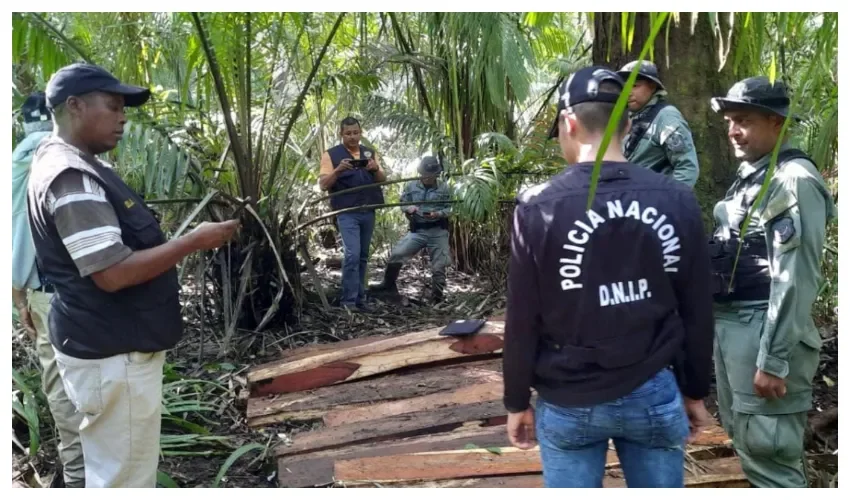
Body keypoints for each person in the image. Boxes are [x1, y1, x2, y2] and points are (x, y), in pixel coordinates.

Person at [26, 62, 240, 488]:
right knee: (124, 481)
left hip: (106, 347)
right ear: (75, 106)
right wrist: (193, 241)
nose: (123, 117)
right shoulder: (71, 177)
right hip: (112, 354)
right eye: (113, 105)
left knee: (114, 468)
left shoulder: (72, 164)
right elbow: (111, 273)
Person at [502, 66, 715, 488]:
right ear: (628, 124)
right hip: (654, 389)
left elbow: (522, 317)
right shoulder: (676, 199)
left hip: (568, 398)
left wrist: (516, 400)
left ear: (570, 123)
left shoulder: (538, 207)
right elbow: (697, 307)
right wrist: (693, 390)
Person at [708, 76, 836, 488]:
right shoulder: (753, 174)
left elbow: (794, 276)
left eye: (743, 120)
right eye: (729, 121)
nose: (733, 130)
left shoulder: (792, 179)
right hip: (736, 326)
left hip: (763, 328)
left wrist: (774, 359)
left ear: (776, 122)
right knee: (749, 442)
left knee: (769, 454)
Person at [12, 91, 85, 487]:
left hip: (50, 294)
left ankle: (77, 477)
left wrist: (18, 295)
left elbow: (17, 232)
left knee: (60, 380)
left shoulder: (22, 161)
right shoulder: (75, 154)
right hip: (90, 289)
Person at [318, 117, 387, 311]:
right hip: (347, 212)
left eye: (355, 132)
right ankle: (348, 301)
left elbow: (382, 179)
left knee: (363, 256)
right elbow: (323, 185)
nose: (352, 137)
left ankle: (360, 299)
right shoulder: (331, 155)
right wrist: (338, 170)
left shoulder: (369, 152)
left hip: (368, 210)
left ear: (361, 132)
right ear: (341, 134)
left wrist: (375, 169)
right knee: (352, 255)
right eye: (348, 133)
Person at [370, 156, 452, 303]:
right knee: (396, 254)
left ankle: (437, 298)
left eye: (430, 175)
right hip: (418, 230)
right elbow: (403, 203)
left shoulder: (445, 188)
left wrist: (439, 214)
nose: (426, 177)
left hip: (438, 231)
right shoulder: (411, 186)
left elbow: (452, 207)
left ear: (436, 174)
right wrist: (409, 208)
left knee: (439, 267)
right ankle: (388, 284)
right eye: (424, 174)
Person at [616, 60, 699, 187]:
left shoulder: (666, 117)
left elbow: (687, 168)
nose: (627, 92)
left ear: (652, 86)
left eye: (634, 86)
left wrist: (666, 200)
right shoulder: (627, 117)